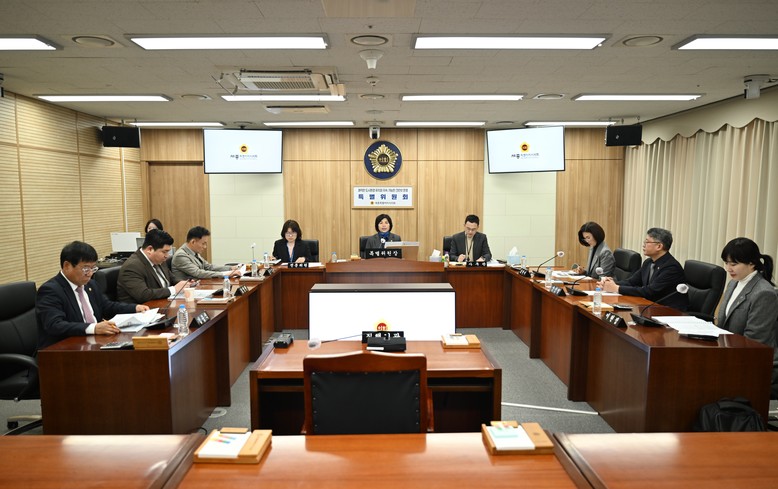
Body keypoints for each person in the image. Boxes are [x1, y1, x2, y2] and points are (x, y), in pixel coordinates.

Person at [36, 241, 149, 349]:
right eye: (85, 268)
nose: (90, 273)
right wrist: (94, 328)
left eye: (93, 268)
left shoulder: (90, 284)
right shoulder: (50, 290)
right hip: (62, 351)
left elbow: (106, 306)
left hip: (93, 343)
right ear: (67, 266)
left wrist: (135, 308)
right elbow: (55, 325)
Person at [717, 237, 778, 399]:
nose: (728, 268)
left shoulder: (763, 293)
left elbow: (755, 341)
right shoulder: (733, 283)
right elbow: (724, 324)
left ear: (752, 263)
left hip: (750, 363)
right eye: (726, 263)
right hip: (729, 353)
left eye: (734, 264)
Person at [601, 227, 688, 311]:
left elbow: (650, 291)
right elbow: (632, 282)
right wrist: (610, 283)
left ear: (659, 246)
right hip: (649, 307)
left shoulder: (671, 267)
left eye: (647, 242)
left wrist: (617, 288)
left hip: (669, 311)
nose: (643, 245)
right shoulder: (648, 262)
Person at [116, 229, 190, 303]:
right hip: (143, 308)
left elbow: (171, 279)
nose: (167, 256)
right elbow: (143, 295)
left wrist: (185, 284)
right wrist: (174, 289)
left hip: (163, 303)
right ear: (150, 249)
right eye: (164, 252)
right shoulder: (132, 266)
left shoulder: (158, 259)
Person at [171, 226, 241, 282]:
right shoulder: (181, 255)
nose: (205, 247)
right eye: (203, 243)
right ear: (193, 242)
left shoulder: (194, 252)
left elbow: (208, 267)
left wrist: (230, 268)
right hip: (187, 291)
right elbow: (198, 273)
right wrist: (224, 274)